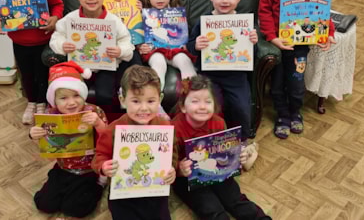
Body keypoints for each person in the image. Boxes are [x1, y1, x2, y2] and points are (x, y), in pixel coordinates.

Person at [258, 0, 336, 139]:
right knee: (276, 85)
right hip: (277, 46)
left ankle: (295, 114)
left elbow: (322, 11)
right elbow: (263, 12)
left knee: (296, 82)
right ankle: (282, 116)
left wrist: (327, 33)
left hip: (301, 46)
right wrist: (272, 38)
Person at [187, 0, 258, 170]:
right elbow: (190, 46)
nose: (225, 0)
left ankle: (243, 144)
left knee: (242, 107)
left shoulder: (245, 24)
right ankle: (211, 145)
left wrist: (253, 42)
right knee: (209, 109)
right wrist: (196, 45)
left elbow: (252, 52)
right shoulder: (203, 23)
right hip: (209, 77)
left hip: (236, 76)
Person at [172, 75, 269, 220]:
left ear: (214, 106)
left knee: (235, 199)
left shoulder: (218, 123)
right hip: (186, 178)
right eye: (195, 101)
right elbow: (168, 166)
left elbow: (227, 154)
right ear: (183, 107)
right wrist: (180, 169)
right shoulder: (174, 128)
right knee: (210, 208)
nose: (202, 106)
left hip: (216, 171)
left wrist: (238, 157)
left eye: (208, 101)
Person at [91, 65, 176, 220]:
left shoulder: (165, 127)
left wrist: (172, 169)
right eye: (136, 101)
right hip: (123, 194)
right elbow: (99, 155)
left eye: (151, 101)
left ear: (160, 99)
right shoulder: (114, 129)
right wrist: (103, 167)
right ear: (123, 100)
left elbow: (173, 154)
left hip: (155, 192)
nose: (143, 108)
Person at [49, 0, 135, 121]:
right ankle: (74, 124)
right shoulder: (70, 19)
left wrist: (119, 50)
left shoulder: (114, 20)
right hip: (78, 67)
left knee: (105, 95)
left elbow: (127, 43)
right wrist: (63, 45)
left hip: (106, 67)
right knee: (71, 94)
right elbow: (55, 38)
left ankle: (106, 124)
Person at [30, 61, 107, 218]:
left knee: (75, 209)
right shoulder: (50, 115)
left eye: (76, 95)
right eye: (63, 98)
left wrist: (98, 123)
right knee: (44, 203)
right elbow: (46, 146)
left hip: (89, 169)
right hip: (63, 167)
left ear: (83, 95)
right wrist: (33, 134)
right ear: (54, 101)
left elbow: (108, 139)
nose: (71, 103)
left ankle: (99, 184)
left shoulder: (94, 111)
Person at [139, 0, 197, 92]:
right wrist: (141, 46)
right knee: (159, 62)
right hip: (154, 51)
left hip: (174, 50)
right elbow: (135, 35)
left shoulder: (176, 12)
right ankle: (154, 98)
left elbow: (183, 35)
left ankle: (193, 95)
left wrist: (186, 45)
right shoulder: (143, 13)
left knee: (184, 60)